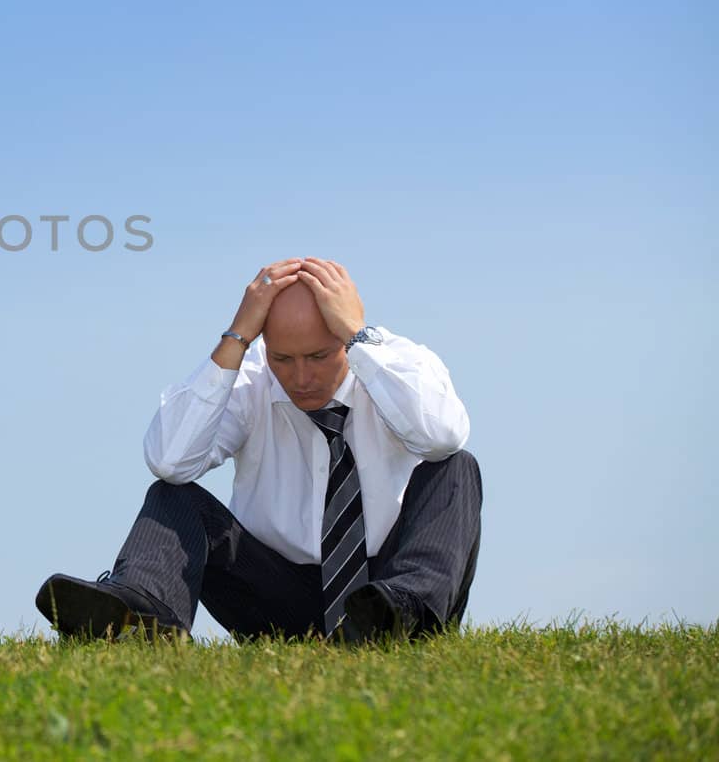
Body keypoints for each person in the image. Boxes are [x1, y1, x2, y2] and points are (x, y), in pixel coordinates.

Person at [35, 257, 482, 643]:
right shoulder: (248, 376)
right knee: (172, 494)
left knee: (457, 468)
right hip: (276, 596)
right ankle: (138, 619)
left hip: (385, 592)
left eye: (320, 356)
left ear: (346, 337)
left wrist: (356, 334)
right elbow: (170, 460)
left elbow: (443, 437)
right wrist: (237, 337)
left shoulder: (399, 363)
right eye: (283, 359)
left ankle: (400, 619)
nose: (301, 378)